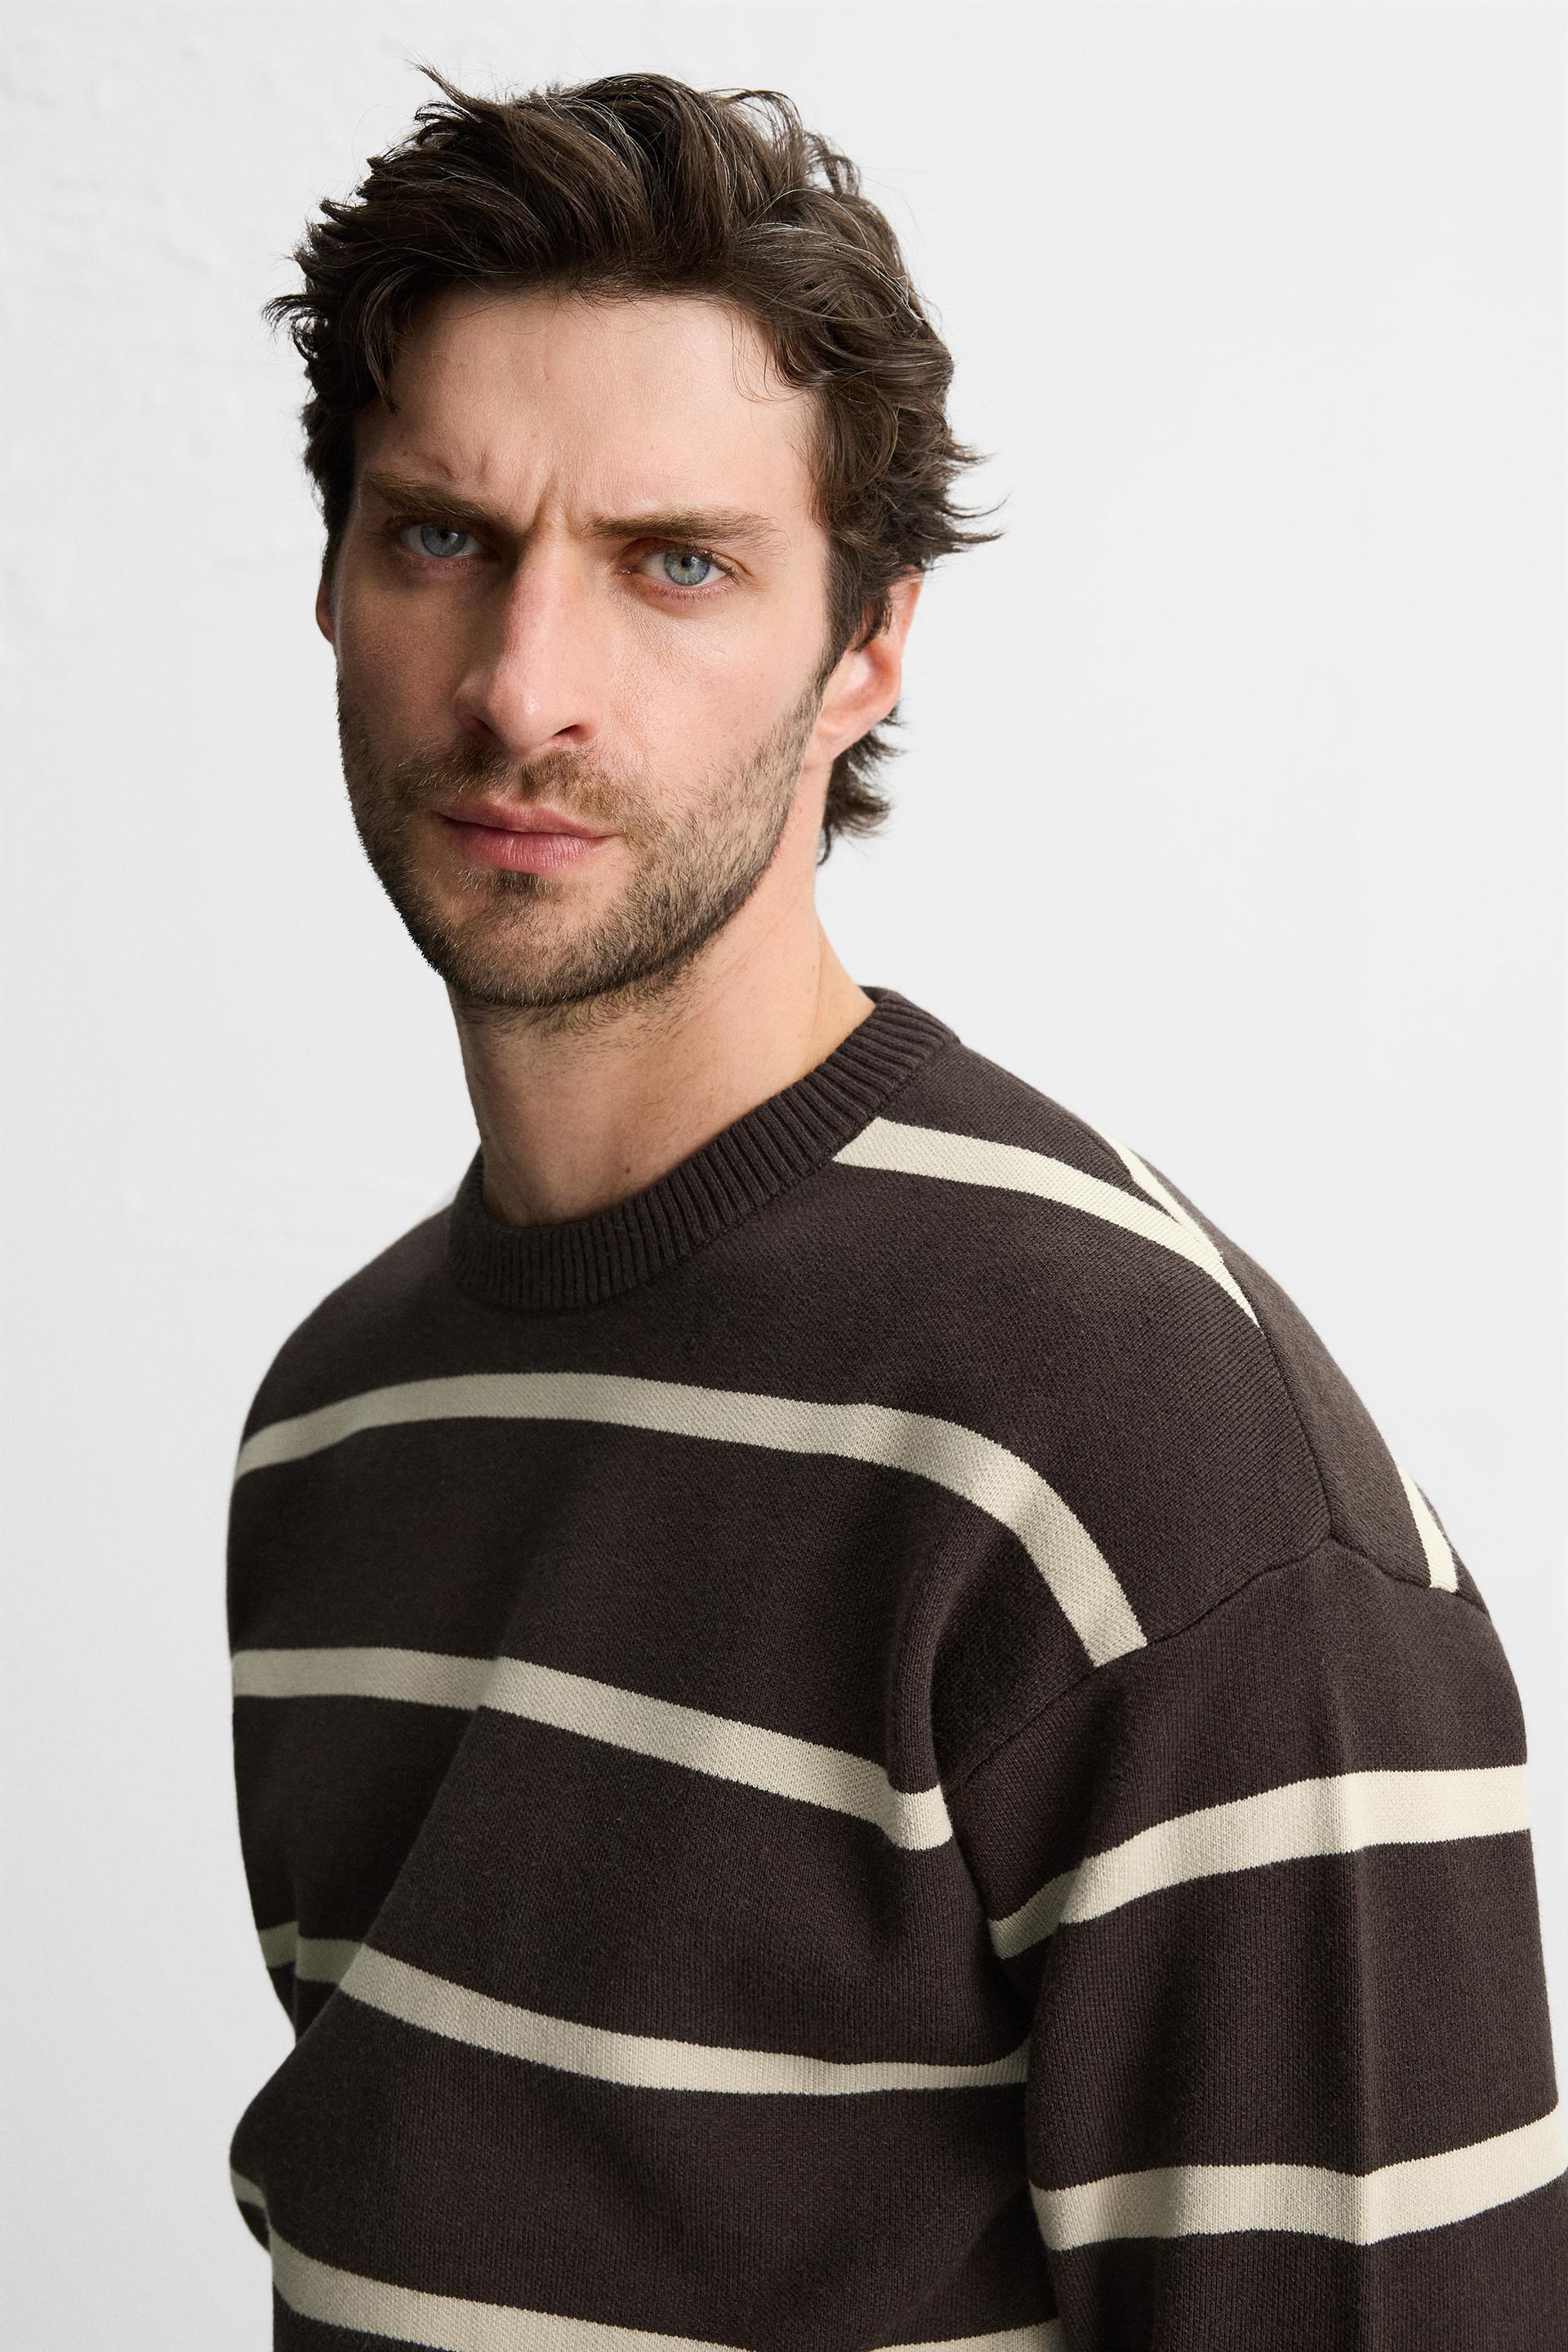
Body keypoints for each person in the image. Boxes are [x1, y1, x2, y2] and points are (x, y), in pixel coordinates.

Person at [226, 67, 1565, 2351]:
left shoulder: (1146, 1467)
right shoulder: (339, 1426)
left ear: (867, 647)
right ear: (337, 578)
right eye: (442, 536)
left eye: (676, 562)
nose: (525, 685)